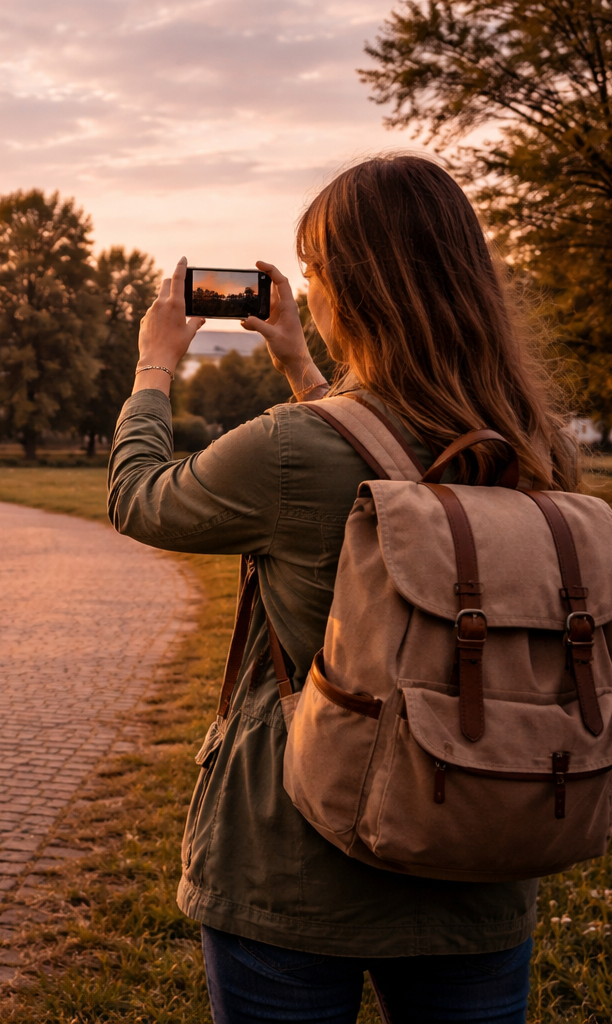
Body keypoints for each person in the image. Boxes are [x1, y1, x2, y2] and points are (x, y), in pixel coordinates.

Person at [107, 154, 578, 1023]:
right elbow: (387, 460)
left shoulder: (290, 447)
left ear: (353, 291)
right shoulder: (530, 443)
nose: (311, 290)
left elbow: (140, 497)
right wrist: (302, 365)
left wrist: (154, 367)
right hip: (479, 849)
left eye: (316, 270)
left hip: (294, 863)